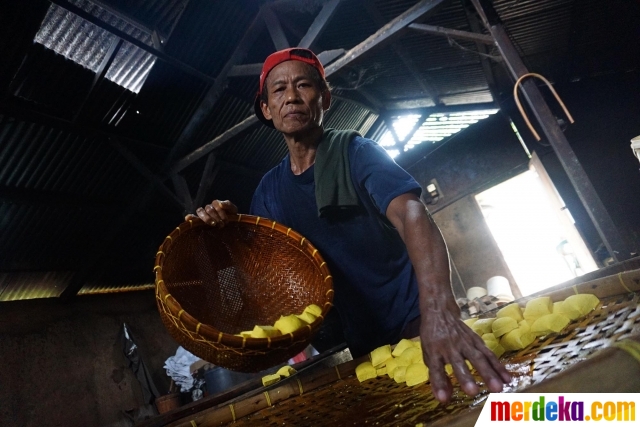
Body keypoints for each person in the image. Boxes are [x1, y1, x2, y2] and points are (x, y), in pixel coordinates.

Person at [188, 47, 511, 403]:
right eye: (279, 90)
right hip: (358, 340)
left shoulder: (357, 153)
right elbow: (264, 279)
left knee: (465, 404)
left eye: (303, 86)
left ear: (324, 98)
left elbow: (412, 214)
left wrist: (439, 311)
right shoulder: (269, 191)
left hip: (414, 320)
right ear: (266, 108)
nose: (292, 97)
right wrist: (231, 233)